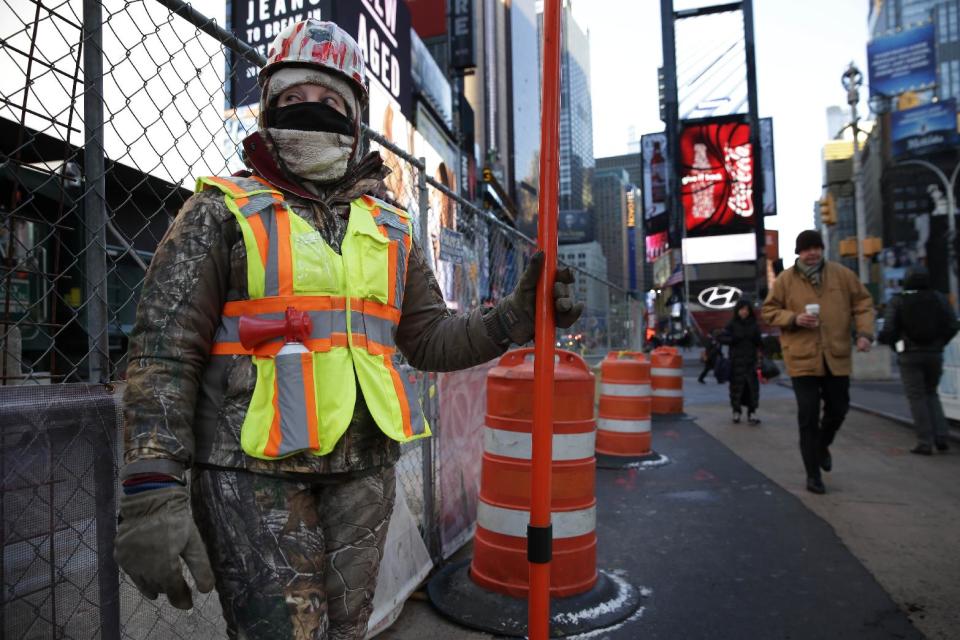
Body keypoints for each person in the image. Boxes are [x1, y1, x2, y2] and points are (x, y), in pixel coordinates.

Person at [111, 19, 582, 640]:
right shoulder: (218, 209)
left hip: (365, 471)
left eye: (333, 100)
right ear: (269, 109)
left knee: (347, 632)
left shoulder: (391, 225)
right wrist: (153, 482)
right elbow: (163, 354)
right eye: (296, 97)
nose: (315, 109)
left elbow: (430, 339)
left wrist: (518, 316)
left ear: (357, 117)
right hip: (252, 473)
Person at [762, 230, 875, 495]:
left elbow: (863, 303)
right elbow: (769, 311)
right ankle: (813, 475)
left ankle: (823, 444)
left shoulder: (842, 275)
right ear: (798, 253)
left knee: (839, 408)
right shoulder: (785, 280)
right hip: (802, 358)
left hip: (836, 355)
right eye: (806, 249)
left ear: (822, 249)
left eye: (816, 248)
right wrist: (793, 318)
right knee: (808, 416)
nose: (812, 253)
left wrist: (865, 333)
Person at [878, 266, 958, 455]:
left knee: (917, 397)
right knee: (932, 393)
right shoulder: (939, 298)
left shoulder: (899, 300)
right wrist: (939, 343)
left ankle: (924, 441)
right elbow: (953, 325)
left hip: (909, 354)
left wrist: (895, 346)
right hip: (934, 354)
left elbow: (888, 330)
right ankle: (941, 436)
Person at [719, 299, 762, 424]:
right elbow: (721, 337)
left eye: (747, 310)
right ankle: (736, 411)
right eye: (742, 309)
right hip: (736, 362)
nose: (744, 312)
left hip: (751, 361)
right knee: (736, 388)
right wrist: (733, 339)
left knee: (752, 389)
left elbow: (759, 342)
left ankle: (752, 412)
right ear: (737, 310)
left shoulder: (754, 324)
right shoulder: (732, 324)